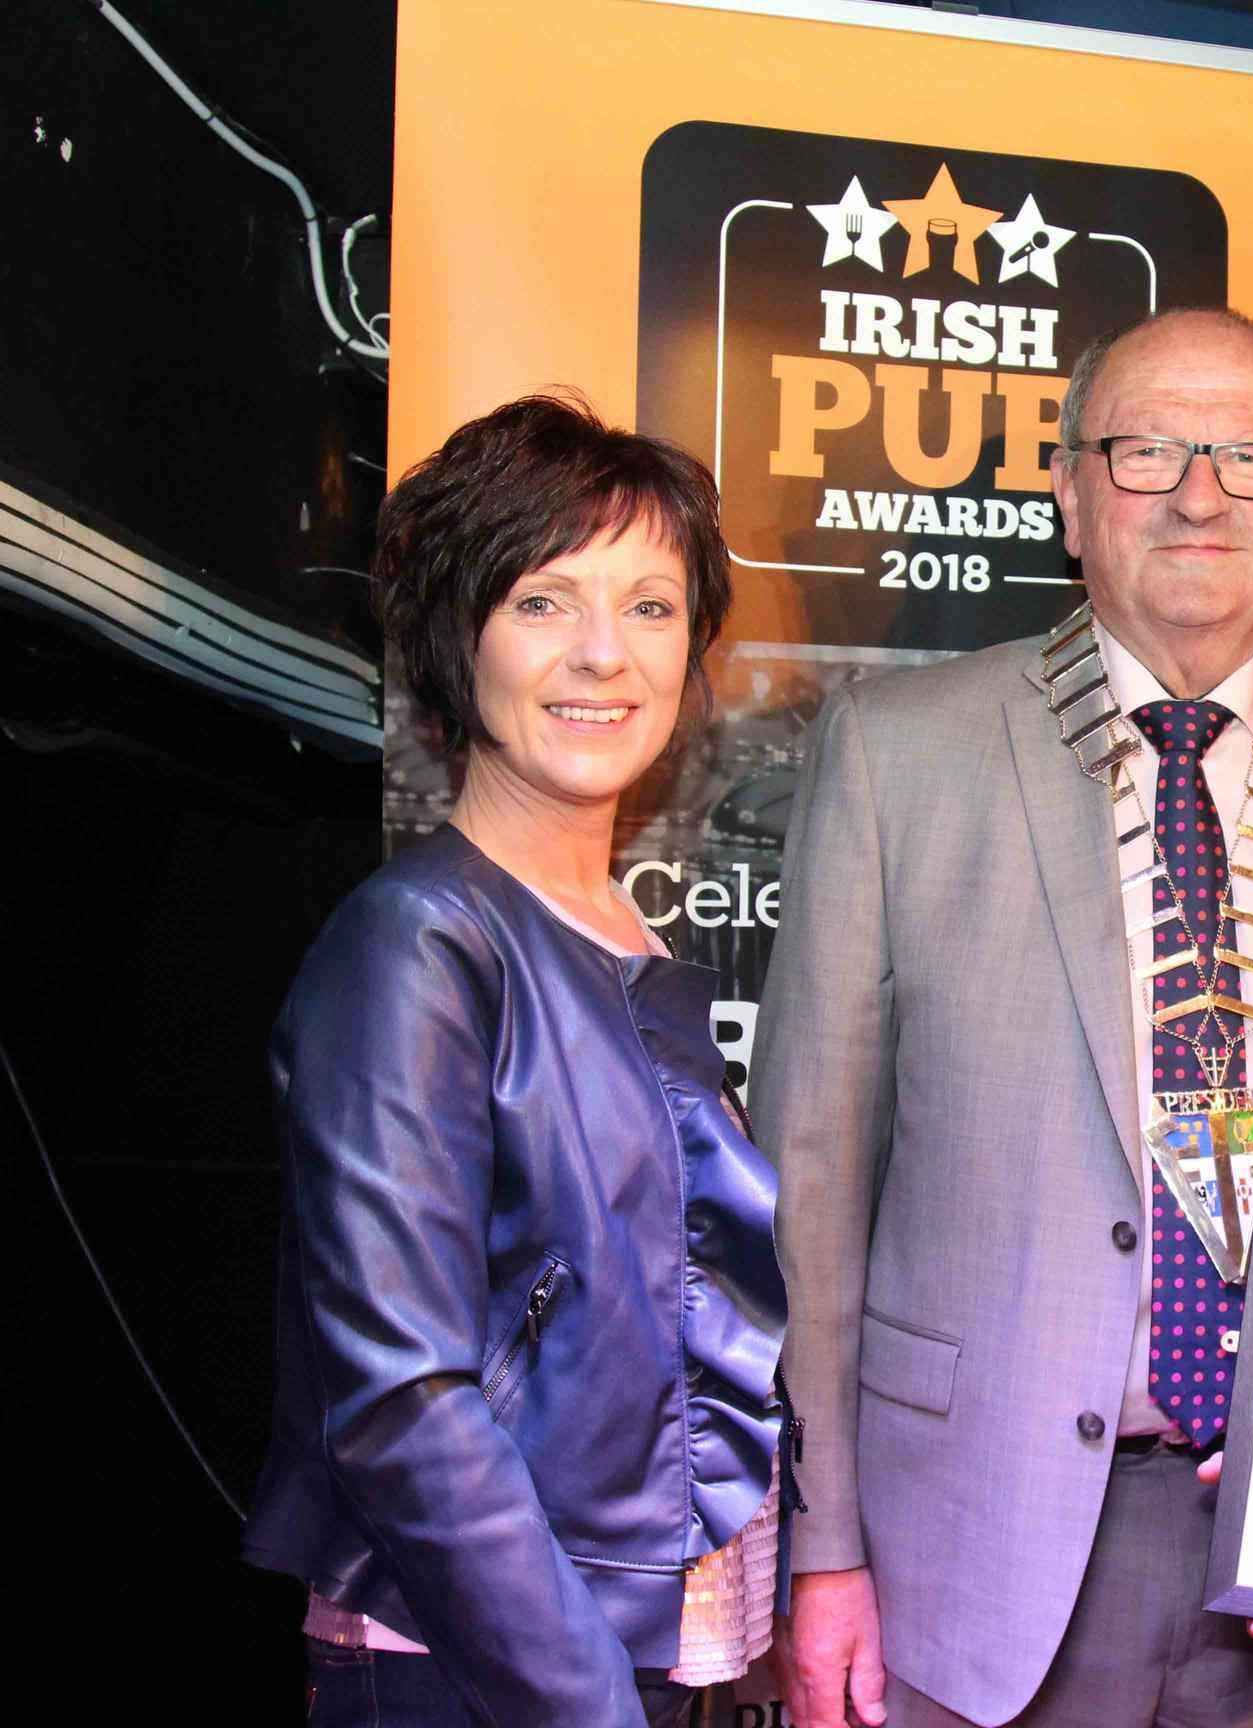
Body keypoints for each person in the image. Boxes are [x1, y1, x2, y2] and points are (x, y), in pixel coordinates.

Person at [758, 306, 1253, 1728]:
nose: (1200, 492)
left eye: (1248, 455)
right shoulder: (895, 755)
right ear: (1068, 483)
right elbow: (811, 1181)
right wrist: (826, 1549)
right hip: (962, 1553)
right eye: (1149, 447)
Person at [243, 396, 789, 1727]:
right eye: (545, 603)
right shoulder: (421, 942)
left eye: (651, 607)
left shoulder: (620, 930)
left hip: (639, 1644)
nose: (605, 655)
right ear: (455, 640)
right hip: (478, 1666)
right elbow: (399, 1397)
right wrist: (582, 1697)